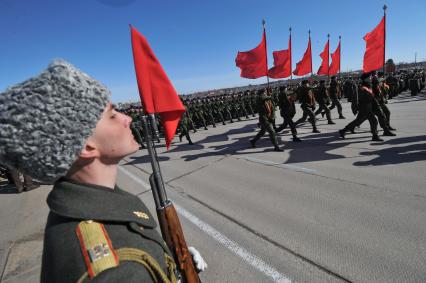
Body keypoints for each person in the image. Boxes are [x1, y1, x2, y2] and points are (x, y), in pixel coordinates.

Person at [0, 60, 206, 282]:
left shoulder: (87, 211)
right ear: (86, 146)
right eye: (112, 115)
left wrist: (170, 268)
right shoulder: (116, 270)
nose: (127, 119)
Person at [339, 72, 383, 141]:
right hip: (365, 107)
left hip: (368, 106)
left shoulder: (368, 85)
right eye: (369, 77)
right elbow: (361, 98)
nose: (371, 78)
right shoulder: (362, 87)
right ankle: (375, 136)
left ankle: (343, 131)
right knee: (374, 121)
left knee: (358, 121)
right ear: (365, 79)